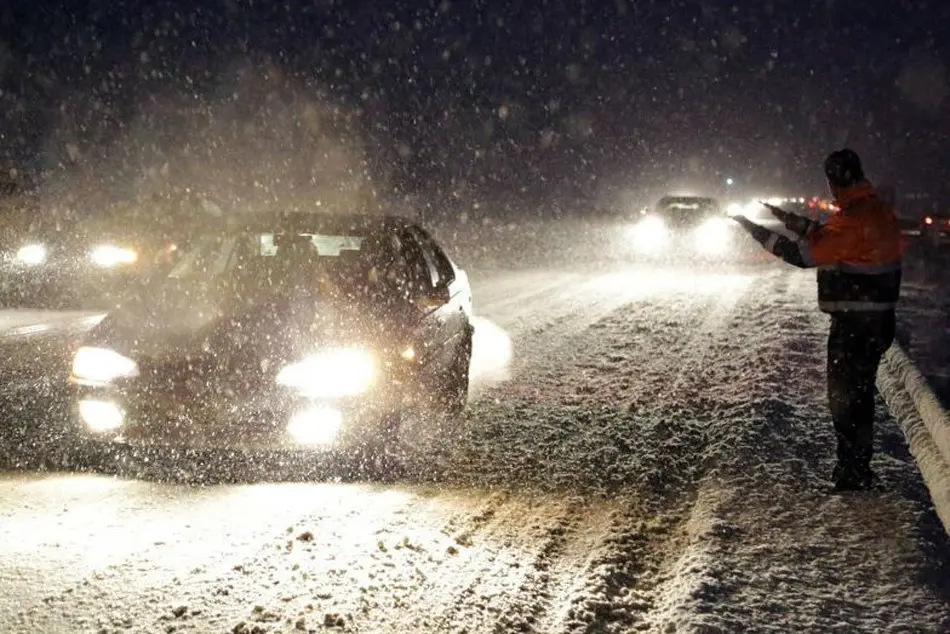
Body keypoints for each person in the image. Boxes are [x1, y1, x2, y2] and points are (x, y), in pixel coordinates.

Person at [731, 149, 903, 491]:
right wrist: (793, 220)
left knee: (845, 400)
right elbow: (831, 237)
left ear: (835, 180)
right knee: (859, 397)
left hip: (856, 325)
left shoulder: (855, 218)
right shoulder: (872, 209)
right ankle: (856, 468)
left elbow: (802, 255)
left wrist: (754, 230)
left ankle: (853, 474)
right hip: (876, 320)